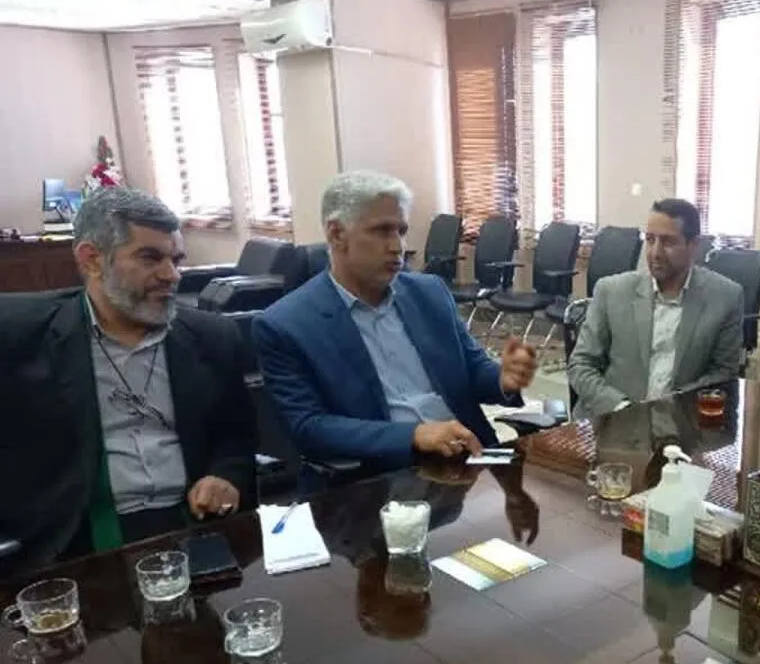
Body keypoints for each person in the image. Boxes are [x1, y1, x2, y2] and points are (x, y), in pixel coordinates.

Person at [0, 188, 256, 567]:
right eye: (150, 258)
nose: (171, 275)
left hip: (192, 521)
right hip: (73, 536)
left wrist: (226, 477)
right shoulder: (20, 336)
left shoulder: (212, 337)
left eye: (176, 259)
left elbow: (235, 437)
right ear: (92, 260)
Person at [253, 171, 537, 474]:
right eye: (382, 231)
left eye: (401, 231)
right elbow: (309, 426)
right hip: (381, 475)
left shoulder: (429, 293)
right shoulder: (285, 325)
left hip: (469, 458)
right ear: (336, 234)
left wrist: (503, 379)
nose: (397, 246)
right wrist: (413, 435)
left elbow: (472, 370)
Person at [568, 198, 744, 420]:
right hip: (611, 421)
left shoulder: (725, 297)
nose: (655, 252)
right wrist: (621, 407)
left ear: (693, 245)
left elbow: (723, 374)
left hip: (681, 424)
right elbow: (581, 365)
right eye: (650, 240)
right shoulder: (611, 291)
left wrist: (673, 406)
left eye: (668, 242)